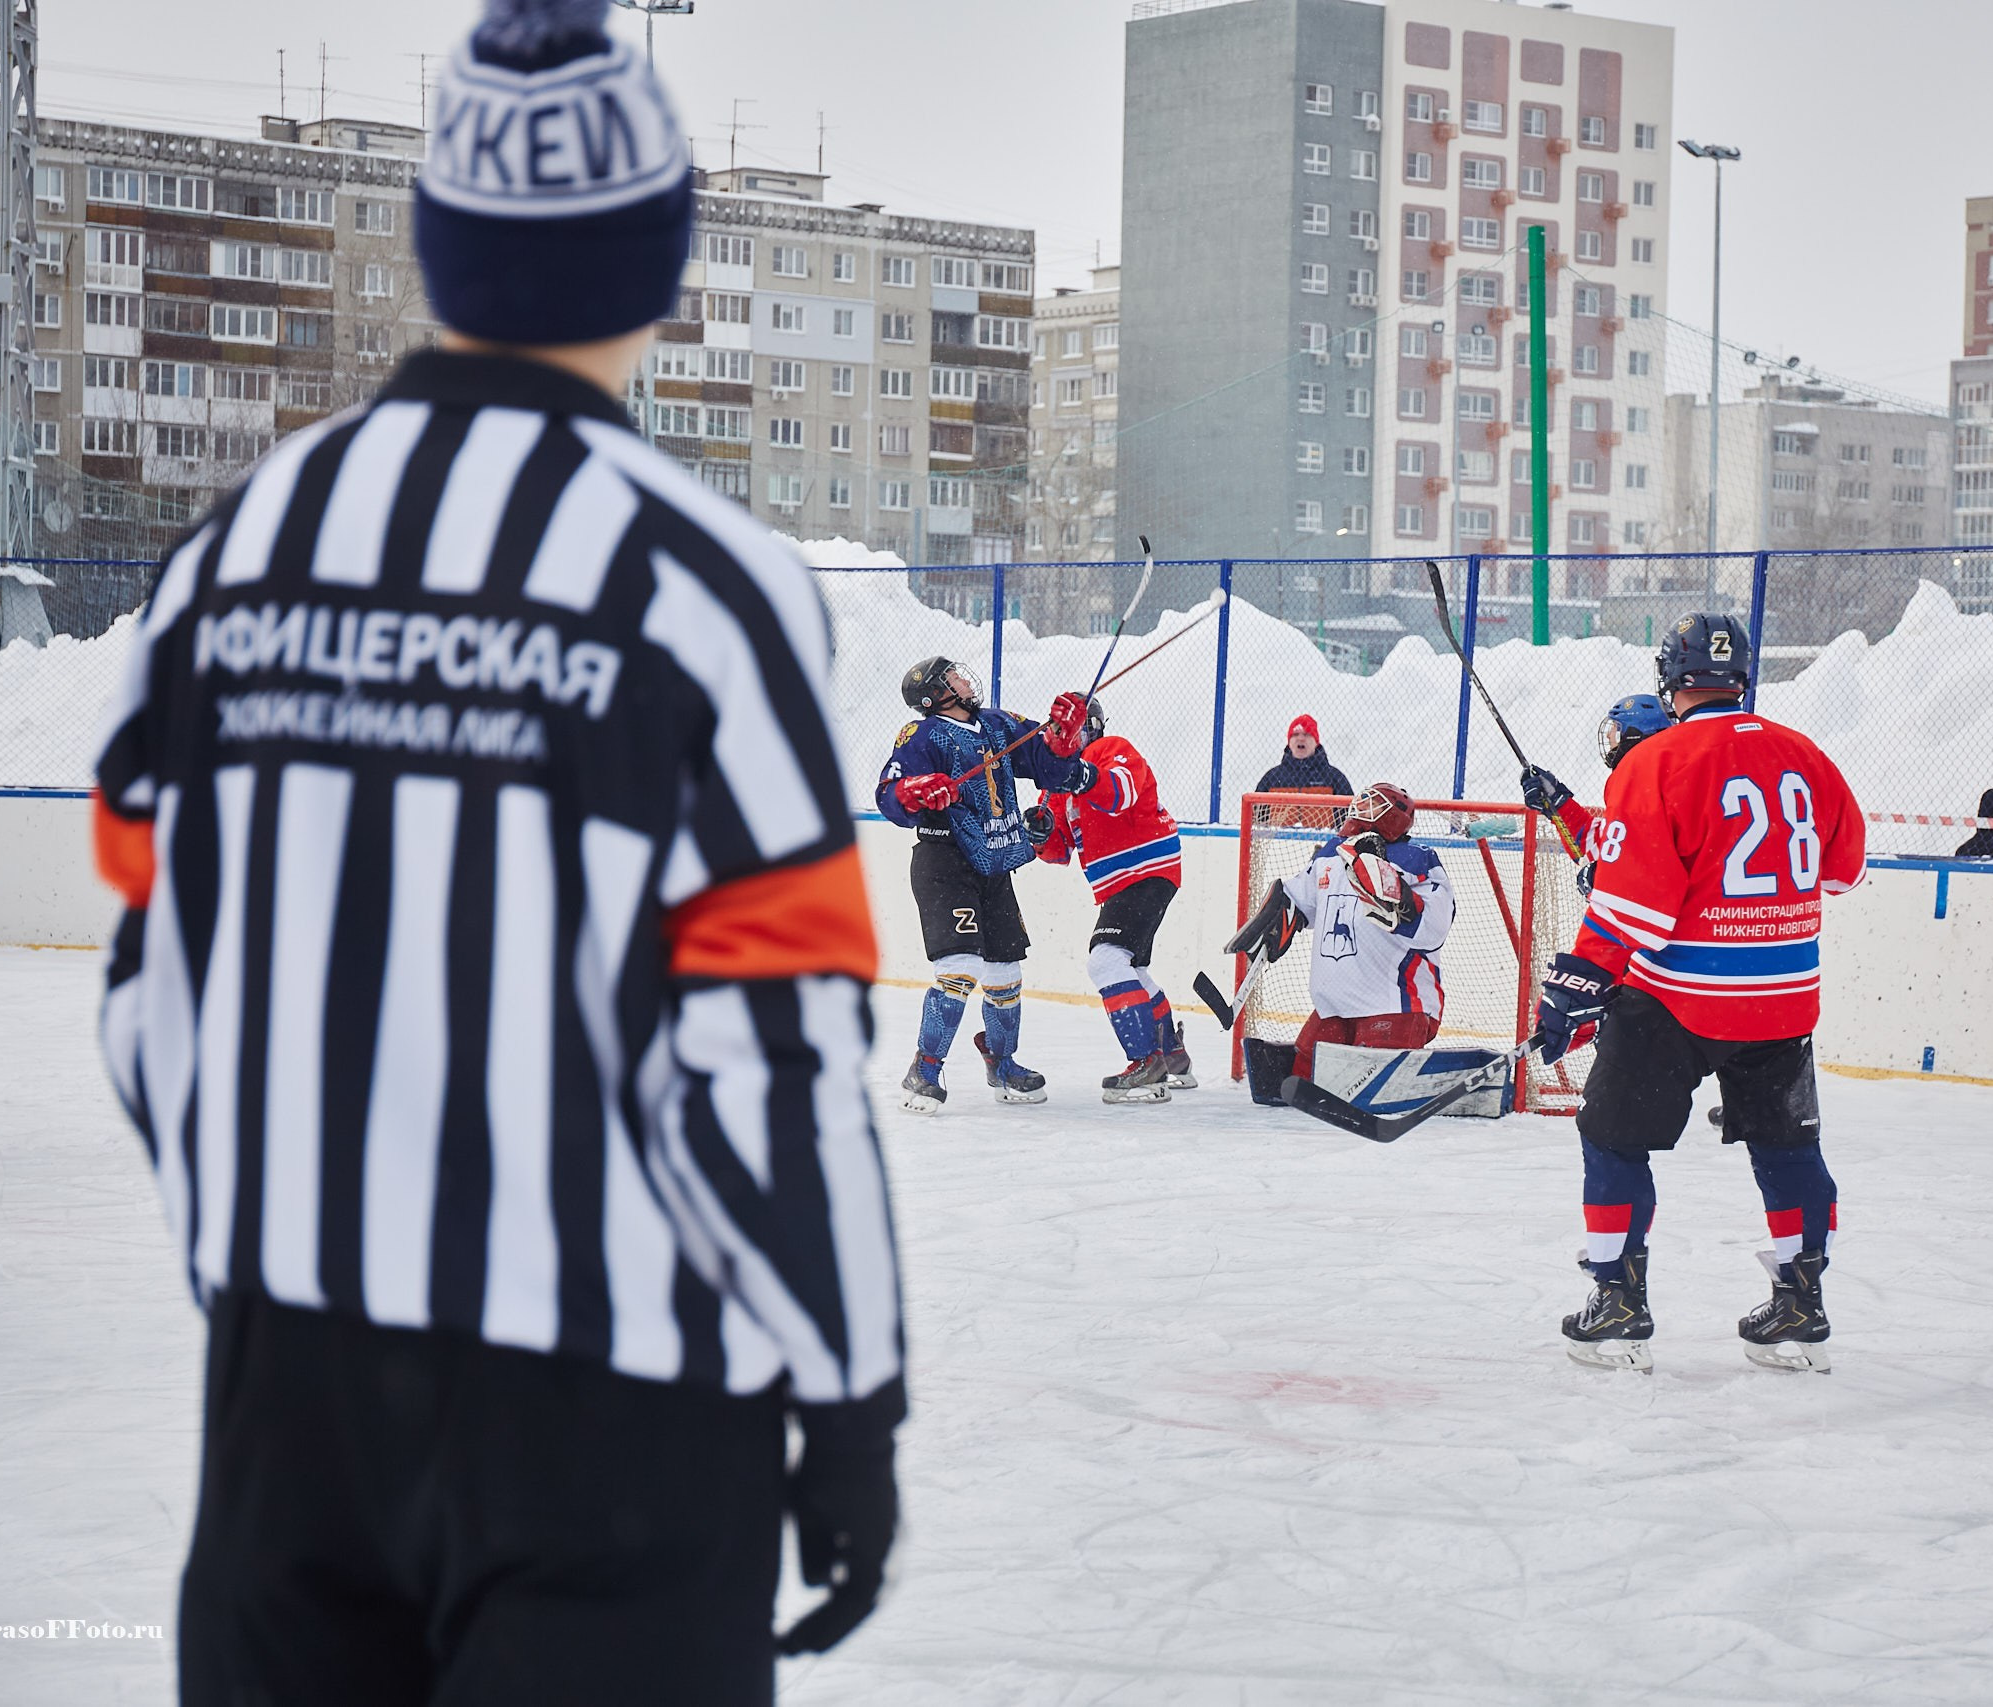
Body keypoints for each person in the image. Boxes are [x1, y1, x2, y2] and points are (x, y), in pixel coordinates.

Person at [90, 3, 903, 1698]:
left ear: (437, 244)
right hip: (615, 1414)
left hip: (286, 1395)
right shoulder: (702, 581)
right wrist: (846, 1389)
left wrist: (269, 1258)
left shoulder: (235, 552)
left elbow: (152, 979)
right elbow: (770, 1048)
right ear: (663, 258)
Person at [1533, 614, 1865, 1375]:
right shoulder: (1805, 754)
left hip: (1680, 996)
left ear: (1670, 681)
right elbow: (1842, 871)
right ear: (1740, 677)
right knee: (1788, 1143)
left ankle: (1617, 1298)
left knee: (1612, 1135)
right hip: (1785, 996)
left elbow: (1627, 906)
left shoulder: (1657, 761)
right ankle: (1800, 1302)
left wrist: (1576, 988)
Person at [877, 659, 1093, 1112]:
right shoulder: (921, 736)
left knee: (1005, 972)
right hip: (944, 863)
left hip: (992, 865)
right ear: (936, 694)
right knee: (959, 967)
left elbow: (1049, 768)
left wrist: (1062, 740)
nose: (964, 678)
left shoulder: (997, 723)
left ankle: (1003, 1062)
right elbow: (890, 794)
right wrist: (914, 791)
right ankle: (925, 1068)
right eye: (952, 676)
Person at [1231, 783, 1456, 1101]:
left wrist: (1401, 902)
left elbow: (1434, 927)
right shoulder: (1329, 855)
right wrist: (1279, 915)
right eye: (1361, 803)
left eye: (1373, 805)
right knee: (1301, 1086)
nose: (1362, 809)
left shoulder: (1417, 860)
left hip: (1394, 1004)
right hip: (1334, 1006)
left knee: (1366, 1094)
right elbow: (1299, 898)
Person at [1024, 697, 1194, 1102]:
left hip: (1147, 869)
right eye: (1061, 732)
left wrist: (1080, 775)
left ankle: (1145, 1062)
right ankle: (1172, 1056)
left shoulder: (1112, 749)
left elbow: (1121, 792)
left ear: (1094, 728)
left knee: (1106, 959)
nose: (1068, 737)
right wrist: (1039, 833)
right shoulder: (1055, 784)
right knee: (1130, 966)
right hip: (1123, 882)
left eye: (1076, 729)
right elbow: (1060, 851)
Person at [1518, 693, 1673, 871]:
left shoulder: (1638, 786)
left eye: (1616, 727)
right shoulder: (1650, 780)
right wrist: (1558, 801)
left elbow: (1617, 858)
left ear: (1633, 734)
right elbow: (1599, 842)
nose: (1609, 735)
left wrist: (1599, 876)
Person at [1253, 714, 1355, 797]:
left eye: (1307, 734)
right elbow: (1255, 815)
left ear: (1316, 742)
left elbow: (1351, 816)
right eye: (1295, 735)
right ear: (1289, 742)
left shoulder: (1334, 778)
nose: (1301, 739)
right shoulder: (1272, 778)